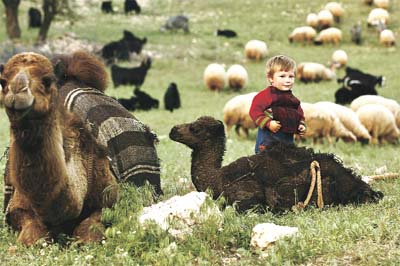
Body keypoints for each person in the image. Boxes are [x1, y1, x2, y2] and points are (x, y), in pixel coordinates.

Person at [249, 55, 306, 154]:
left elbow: (299, 114)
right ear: (271, 78)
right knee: (267, 164)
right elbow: (254, 111)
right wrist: (268, 123)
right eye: (282, 76)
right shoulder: (266, 96)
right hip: (268, 142)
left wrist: (300, 125)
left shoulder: (293, 100)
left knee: (286, 163)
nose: (288, 80)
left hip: (287, 142)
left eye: (291, 76)